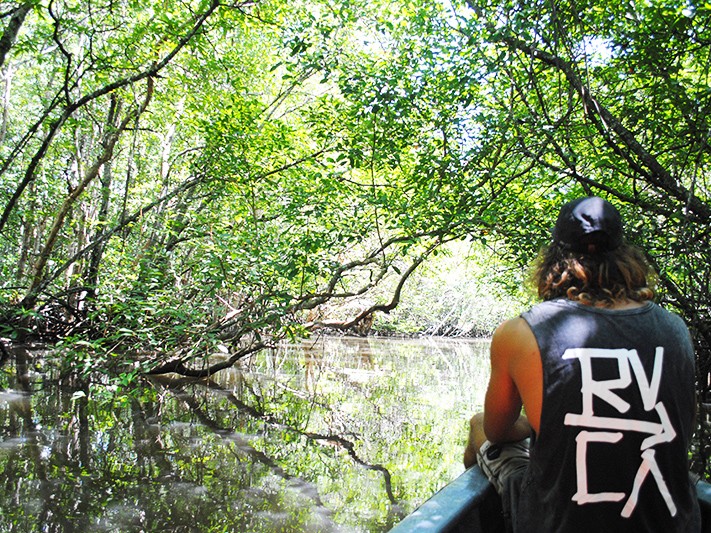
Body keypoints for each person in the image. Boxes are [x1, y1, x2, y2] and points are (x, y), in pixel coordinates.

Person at [463, 196, 701, 532]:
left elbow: (497, 431)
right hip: (672, 524)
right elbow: (683, 426)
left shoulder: (520, 333)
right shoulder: (675, 329)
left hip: (558, 524)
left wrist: (537, 424)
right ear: (625, 256)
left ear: (553, 260)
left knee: (478, 426)